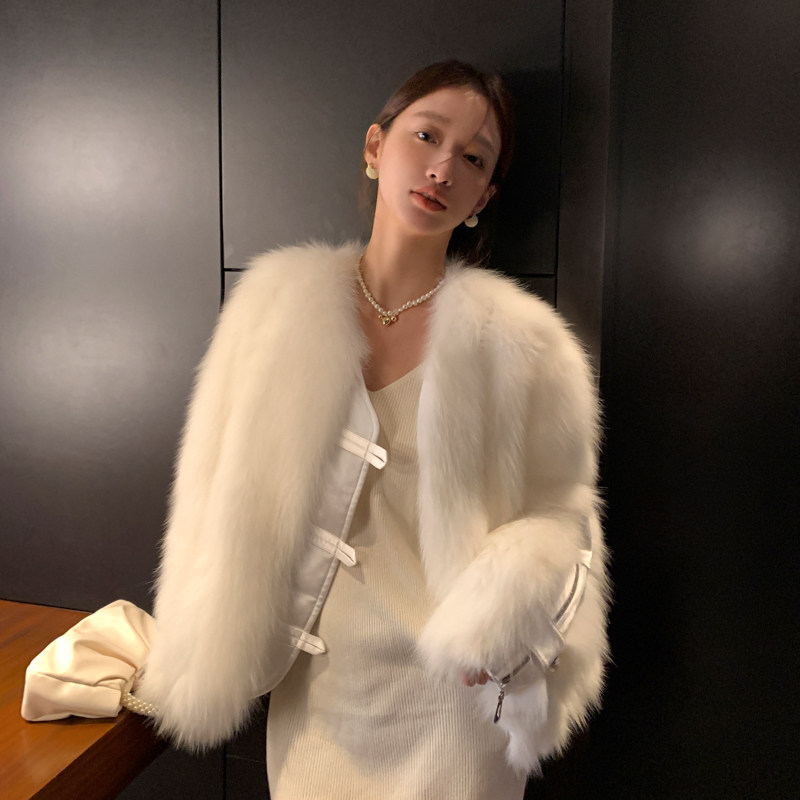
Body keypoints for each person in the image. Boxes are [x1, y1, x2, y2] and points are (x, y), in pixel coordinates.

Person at [138, 61, 609, 799]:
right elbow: (208, 492)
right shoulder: (272, 312)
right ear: (375, 145)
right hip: (316, 700)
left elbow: (566, 516)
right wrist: (192, 644)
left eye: (474, 158)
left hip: (453, 712)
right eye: (427, 136)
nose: (442, 167)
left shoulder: (524, 345)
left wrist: (504, 612)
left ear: (484, 197)